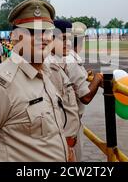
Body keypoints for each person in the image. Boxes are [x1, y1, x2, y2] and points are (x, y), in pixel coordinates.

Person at [0, 0, 68, 162]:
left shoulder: (46, 74)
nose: (43, 38)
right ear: (15, 37)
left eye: (47, 32)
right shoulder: (0, 85)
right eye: (32, 31)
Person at [64, 21, 104, 161]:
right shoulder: (72, 60)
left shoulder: (65, 57)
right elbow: (85, 98)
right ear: (81, 40)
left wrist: (85, 76)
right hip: (69, 124)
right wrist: (97, 78)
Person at [44, 20, 80, 162]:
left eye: (70, 39)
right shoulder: (50, 67)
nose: (68, 44)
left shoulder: (59, 62)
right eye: (63, 39)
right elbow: (53, 113)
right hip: (61, 146)